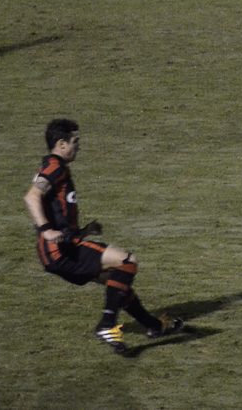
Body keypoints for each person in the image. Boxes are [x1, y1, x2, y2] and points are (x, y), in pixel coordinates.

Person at [24, 119, 182, 354]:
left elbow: (56, 213)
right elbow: (31, 197)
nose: (78, 146)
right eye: (75, 142)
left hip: (57, 251)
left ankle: (154, 326)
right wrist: (46, 229)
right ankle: (107, 325)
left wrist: (85, 231)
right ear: (61, 143)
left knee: (117, 281)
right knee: (127, 261)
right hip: (61, 251)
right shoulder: (55, 167)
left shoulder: (54, 167)